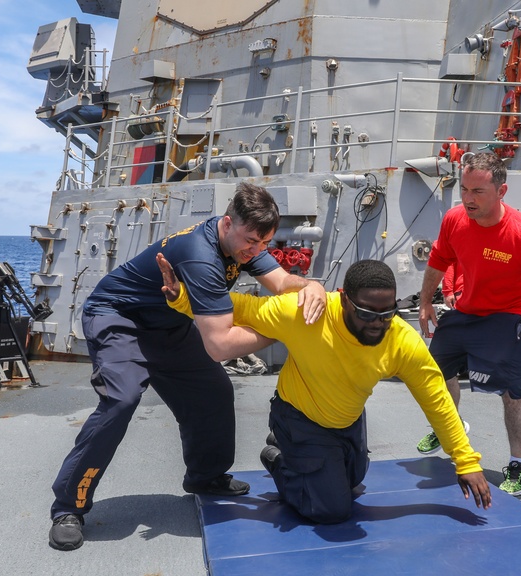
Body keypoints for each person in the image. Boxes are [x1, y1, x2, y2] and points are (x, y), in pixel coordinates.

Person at [47, 182, 326, 551]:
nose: (256, 251)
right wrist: (283, 330)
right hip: (119, 318)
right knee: (121, 400)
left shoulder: (243, 242)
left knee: (212, 392)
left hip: (167, 325)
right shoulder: (201, 255)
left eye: (264, 243)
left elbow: (280, 282)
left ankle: (205, 477)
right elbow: (219, 346)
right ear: (227, 224)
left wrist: (312, 286)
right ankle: (69, 505)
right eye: (251, 242)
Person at [160, 257, 492, 522]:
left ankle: (321, 464)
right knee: (332, 512)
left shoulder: (400, 340)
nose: (377, 322)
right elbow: (241, 307)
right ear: (344, 299)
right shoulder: (307, 314)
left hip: (347, 419)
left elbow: (436, 399)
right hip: (300, 418)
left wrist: (466, 462)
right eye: (366, 312)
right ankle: (277, 457)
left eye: (386, 312)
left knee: (355, 481)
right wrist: (182, 299)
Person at [416, 152, 521, 496]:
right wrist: (426, 300)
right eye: (465, 190)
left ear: (501, 191)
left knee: (512, 391)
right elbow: (439, 258)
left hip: (511, 314)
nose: (468, 199)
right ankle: (450, 427)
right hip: (469, 311)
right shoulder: (456, 219)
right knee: (432, 371)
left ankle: (519, 466)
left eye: (478, 192)